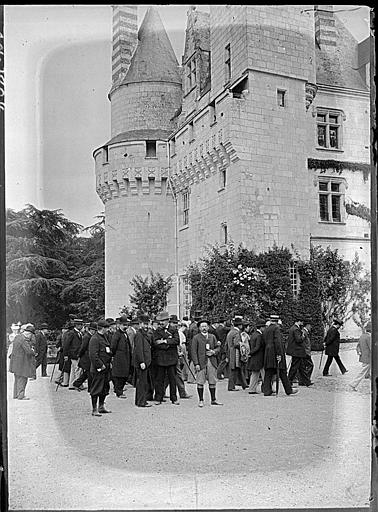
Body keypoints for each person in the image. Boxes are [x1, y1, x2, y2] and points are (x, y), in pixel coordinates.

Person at [262, 315, 298, 396]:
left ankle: (267, 390)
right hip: (275, 353)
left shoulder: (266, 329)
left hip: (268, 353)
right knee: (282, 372)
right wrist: (279, 354)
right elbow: (277, 342)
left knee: (268, 373)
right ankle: (288, 390)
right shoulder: (276, 329)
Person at [191, 319, 222, 407]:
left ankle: (213, 399)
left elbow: (218, 348)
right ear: (199, 328)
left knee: (212, 380)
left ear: (208, 327)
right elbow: (193, 351)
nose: (204, 328)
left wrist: (213, 352)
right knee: (200, 381)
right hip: (201, 362)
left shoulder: (212, 337)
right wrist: (196, 363)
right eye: (202, 326)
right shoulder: (196, 338)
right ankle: (201, 400)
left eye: (205, 326)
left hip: (211, 361)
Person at [153, 311, 180, 405]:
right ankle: (158, 398)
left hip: (171, 359)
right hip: (160, 359)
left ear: (167, 320)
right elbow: (156, 343)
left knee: (173, 380)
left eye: (163, 321)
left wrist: (164, 341)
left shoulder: (173, 329)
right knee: (159, 379)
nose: (161, 323)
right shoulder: (157, 331)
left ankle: (174, 398)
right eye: (160, 321)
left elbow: (176, 341)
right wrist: (168, 343)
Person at [88, 319, 112, 416]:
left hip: (106, 368)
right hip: (98, 369)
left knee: (104, 388)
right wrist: (100, 365)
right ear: (102, 328)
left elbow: (107, 351)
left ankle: (101, 407)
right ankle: (94, 409)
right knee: (96, 389)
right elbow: (93, 355)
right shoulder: (95, 339)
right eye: (107, 328)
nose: (108, 330)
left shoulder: (104, 337)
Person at [9, 323, 36, 400]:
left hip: (15, 362)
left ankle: (16, 395)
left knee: (17, 378)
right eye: (31, 335)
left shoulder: (18, 337)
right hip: (22, 363)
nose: (31, 337)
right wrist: (33, 351)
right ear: (29, 334)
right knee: (23, 378)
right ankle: (21, 395)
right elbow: (29, 352)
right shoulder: (23, 340)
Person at [133, 314, 153, 407]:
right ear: (140, 324)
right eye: (144, 324)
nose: (146, 326)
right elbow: (138, 349)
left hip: (145, 362)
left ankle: (140, 400)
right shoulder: (139, 334)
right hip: (142, 362)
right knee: (141, 383)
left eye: (147, 324)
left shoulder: (143, 334)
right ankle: (141, 402)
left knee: (143, 382)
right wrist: (141, 361)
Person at [72, 321, 97, 391]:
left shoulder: (90, 336)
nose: (94, 332)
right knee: (89, 373)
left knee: (86, 373)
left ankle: (76, 384)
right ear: (90, 330)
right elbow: (83, 347)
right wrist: (79, 355)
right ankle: (90, 388)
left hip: (88, 357)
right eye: (93, 330)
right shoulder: (87, 337)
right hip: (86, 358)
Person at [111, 316, 132, 398]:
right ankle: (119, 392)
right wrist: (114, 356)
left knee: (124, 375)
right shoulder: (117, 334)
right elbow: (113, 346)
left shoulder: (125, 333)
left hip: (126, 357)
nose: (125, 326)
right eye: (124, 325)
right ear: (119, 325)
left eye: (126, 325)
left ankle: (119, 390)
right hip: (119, 358)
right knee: (119, 375)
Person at [226, 317, 247, 391]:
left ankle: (244, 384)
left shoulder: (231, 332)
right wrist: (243, 344)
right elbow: (236, 343)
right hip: (236, 353)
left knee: (238, 369)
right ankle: (231, 386)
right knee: (235, 369)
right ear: (240, 325)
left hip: (231, 352)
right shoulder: (236, 333)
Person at [349, 321, 371, 391]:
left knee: (366, 371)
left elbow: (358, 346)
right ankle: (353, 384)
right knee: (362, 372)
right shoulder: (369, 337)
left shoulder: (362, 336)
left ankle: (368, 377)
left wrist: (359, 352)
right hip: (369, 358)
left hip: (364, 357)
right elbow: (371, 348)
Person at [62, 318, 84, 389]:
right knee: (77, 370)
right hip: (74, 354)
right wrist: (65, 355)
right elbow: (66, 344)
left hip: (77, 353)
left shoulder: (79, 333)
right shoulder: (72, 333)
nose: (81, 326)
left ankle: (71, 385)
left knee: (73, 370)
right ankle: (77, 385)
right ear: (77, 325)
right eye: (80, 325)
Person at [286, 318, 307, 386]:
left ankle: (306, 381)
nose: (302, 323)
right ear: (298, 321)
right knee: (294, 367)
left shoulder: (293, 328)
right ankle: (289, 380)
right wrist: (303, 336)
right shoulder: (296, 329)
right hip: (297, 351)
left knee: (301, 367)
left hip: (295, 351)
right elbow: (298, 340)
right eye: (301, 321)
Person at [247, 318, 266, 394]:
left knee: (255, 374)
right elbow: (257, 347)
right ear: (261, 327)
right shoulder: (259, 336)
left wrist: (250, 353)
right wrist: (251, 353)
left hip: (254, 358)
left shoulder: (253, 335)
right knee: (264, 373)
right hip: (259, 357)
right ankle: (266, 388)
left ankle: (252, 389)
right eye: (264, 327)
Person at [299, 321, 314, 386]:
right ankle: (306, 380)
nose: (311, 327)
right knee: (310, 365)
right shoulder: (304, 332)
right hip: (305, 352)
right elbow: (303, 343)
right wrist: (306, 352)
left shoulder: (305, 332)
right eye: (310, 325)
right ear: (307, 325)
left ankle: (303, 380)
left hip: (305, 352)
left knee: (303, 367)